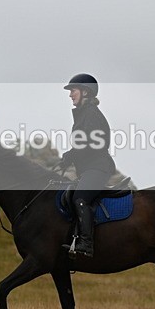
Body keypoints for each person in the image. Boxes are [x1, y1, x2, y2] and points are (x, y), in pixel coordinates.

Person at [58, 73, 116, 257]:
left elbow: (91, 143)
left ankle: (86, 244)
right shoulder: (83, 115)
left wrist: (71, 153)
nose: (70, 95)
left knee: (80, 198)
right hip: (89, 168)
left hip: (98, 168)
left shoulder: (91, 115)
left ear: (85, 92)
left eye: (73, 90)